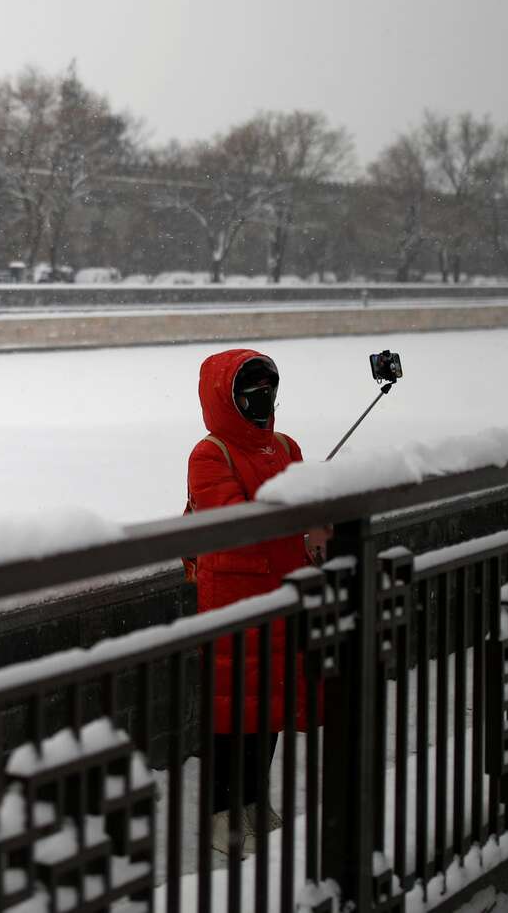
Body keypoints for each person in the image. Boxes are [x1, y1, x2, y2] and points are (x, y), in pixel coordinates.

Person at [184, 347, 327, 858]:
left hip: (283, 595)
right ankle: (223, 813)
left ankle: (253, 800)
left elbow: (307, 508)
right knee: (232, 714)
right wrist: (294, 513)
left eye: (268, 392)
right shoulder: (209, 454)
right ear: (228, 399)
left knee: (271, 705)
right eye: (251, 394)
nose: (263, 402)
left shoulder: (287, 446)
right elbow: (239, 526)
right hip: (234, 603)